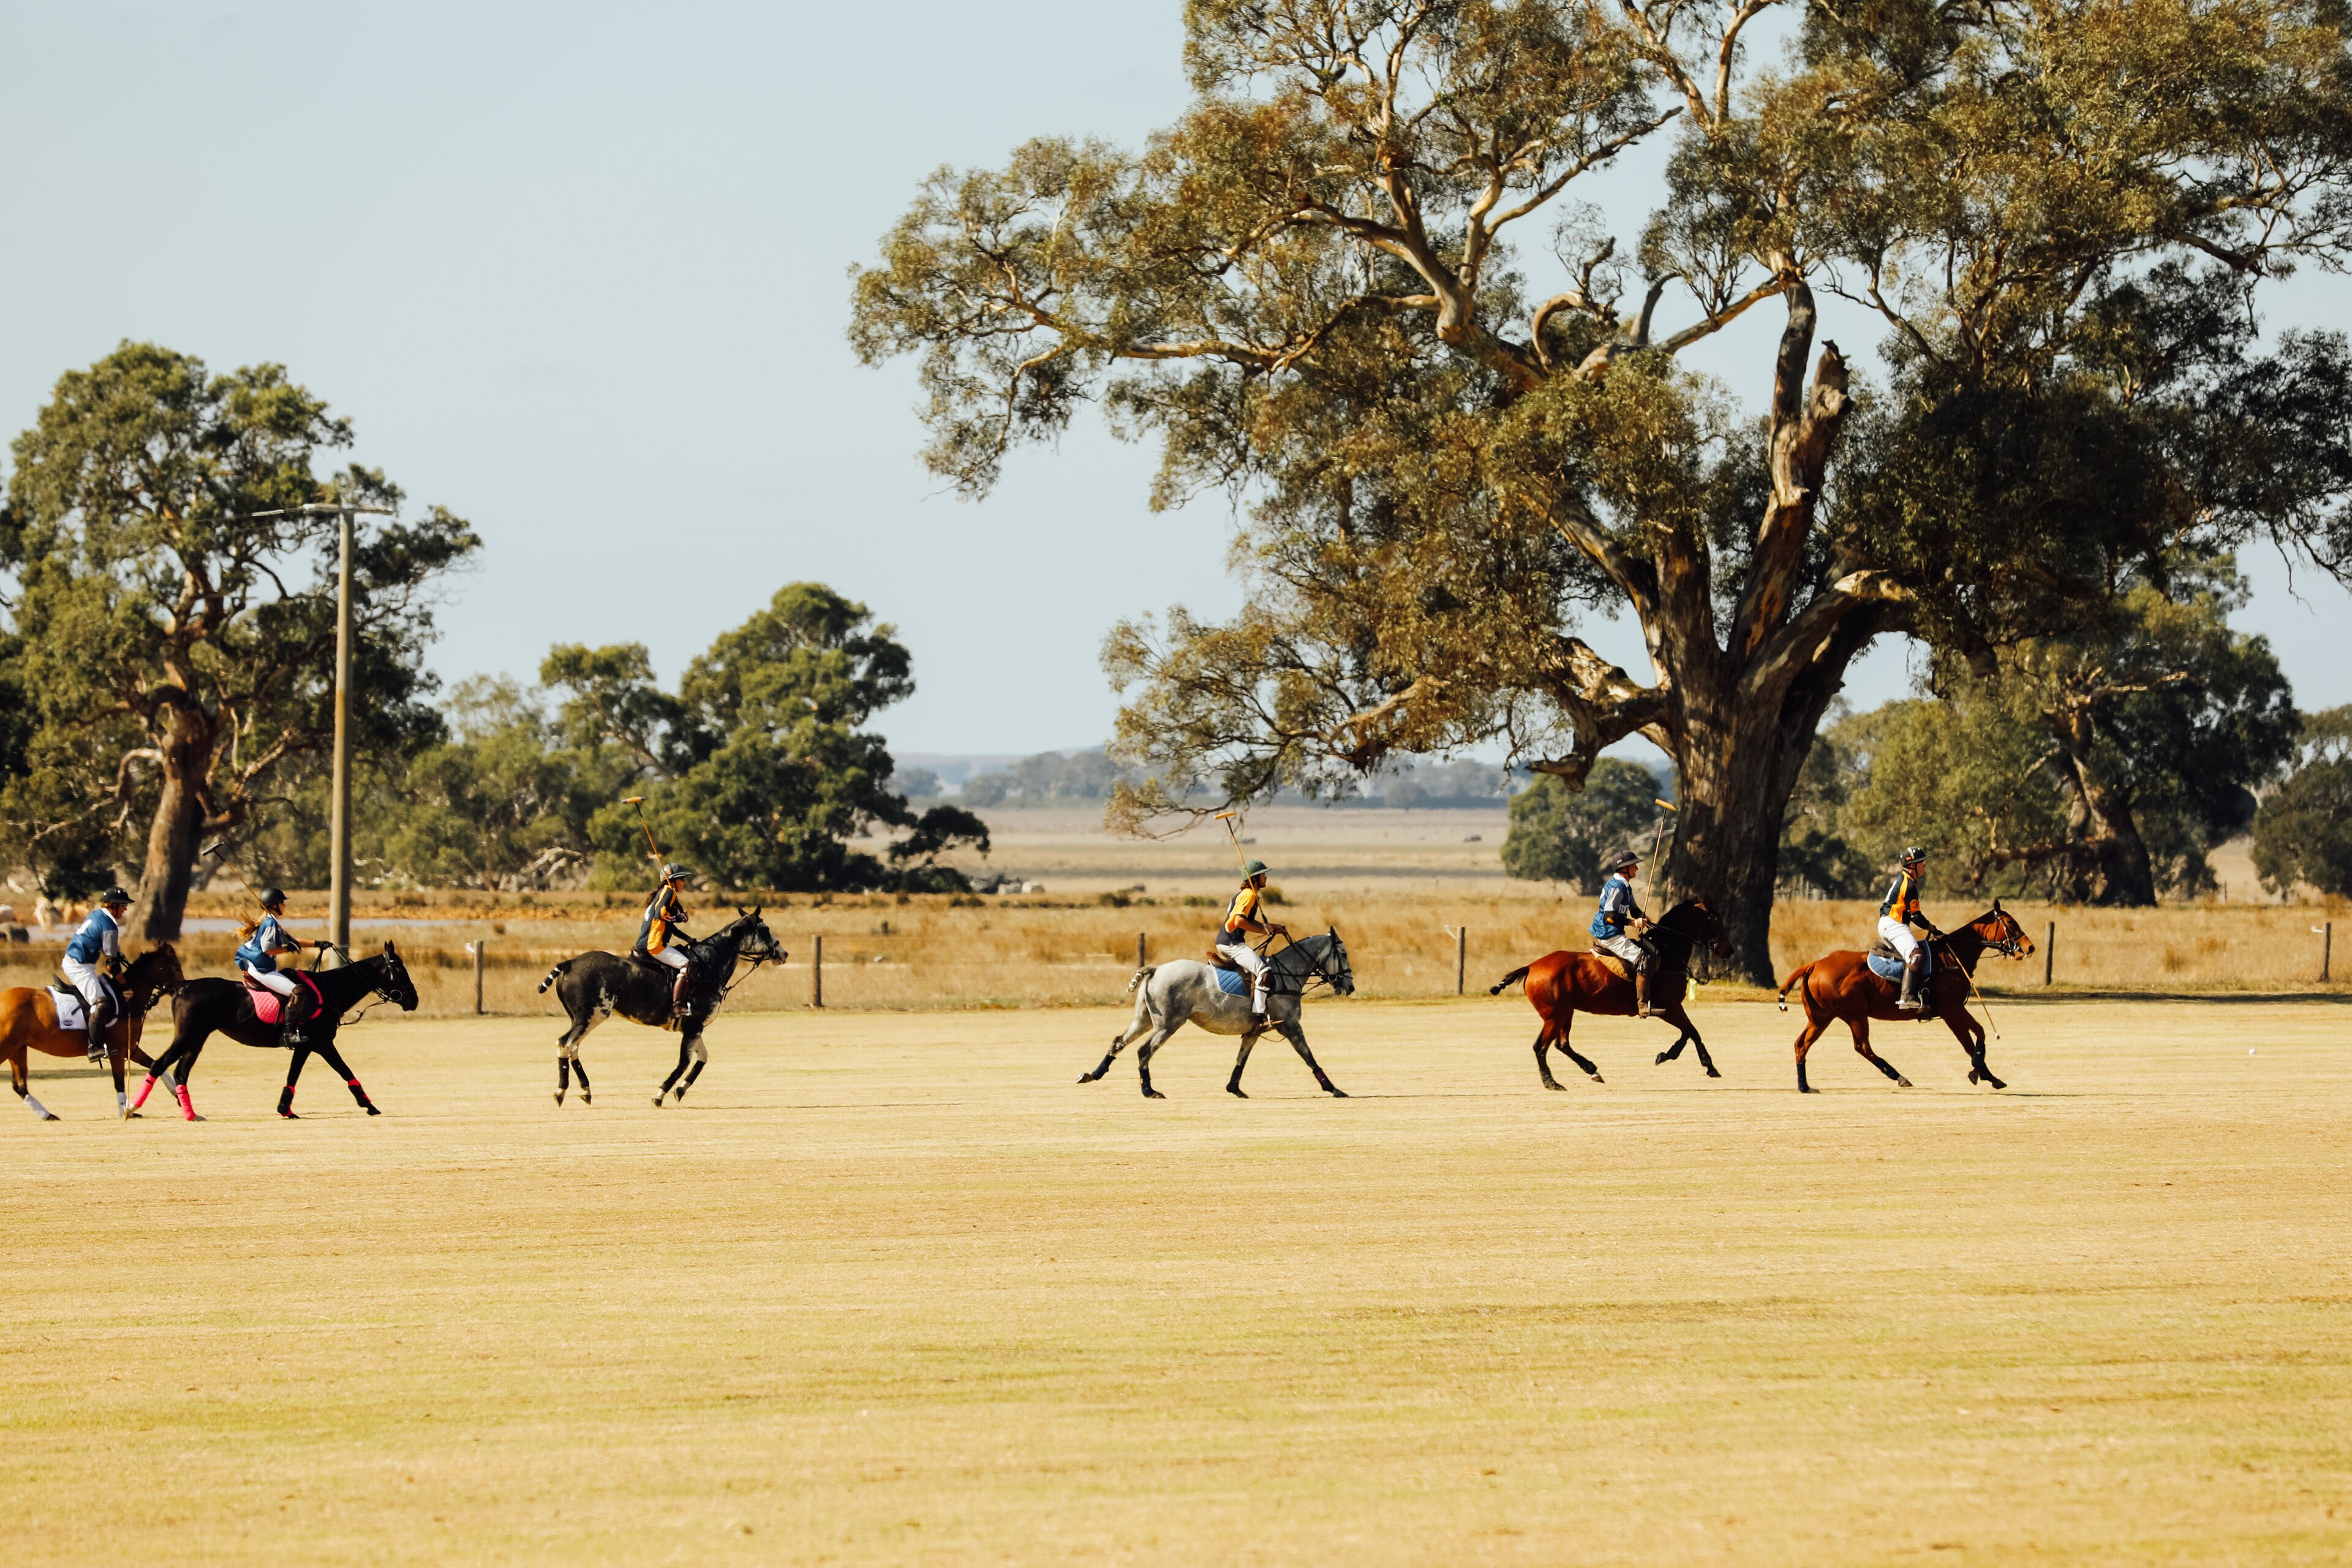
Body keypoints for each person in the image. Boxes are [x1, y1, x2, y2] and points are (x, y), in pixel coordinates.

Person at [235, 889, 322, 1042]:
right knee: (298, 992)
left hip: (259, 967)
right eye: (282, 902)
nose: (284, 906)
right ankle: (288, 1034)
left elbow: (293, 941)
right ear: (275, 905)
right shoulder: (270, 923)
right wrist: (287, 949)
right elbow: (268, 949)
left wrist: (318, 944)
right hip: (261, 970)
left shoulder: (270, 921)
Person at [62, 886, 131, 1062]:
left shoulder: (97, 915)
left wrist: (116, 952)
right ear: (113, 906)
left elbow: (103, 946)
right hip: (79, 967)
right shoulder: (110, 926)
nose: (125, 909)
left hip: (80, 963)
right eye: (123, 905)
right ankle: (94, 1048)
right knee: (102, 1004)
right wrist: (125, 986)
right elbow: (112, 966)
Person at [1215, 859, 1289, 1017]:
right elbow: (1238, 921)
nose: (1266, 878)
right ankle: (1259, 1015)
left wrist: (1271, 926)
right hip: (1232, 944)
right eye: (1263, 875)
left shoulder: (1246, 895)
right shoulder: (1249, 896)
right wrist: (1262, 930)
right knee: (1264, 971)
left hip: (1226, 942)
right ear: (1254, 879)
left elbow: (1246, 921)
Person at [1590, 849, 1657, 1017]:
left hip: (1614, 932)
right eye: (1634, 866)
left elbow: (1633, 909)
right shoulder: (1617, 888)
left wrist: (1644, 918)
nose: (1637, 869)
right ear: (1625, 869)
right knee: (1644, 959)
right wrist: (1633, 923)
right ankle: (1643, 1006)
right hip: (1608, 933)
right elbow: (1610, 916)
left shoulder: (1625, 887)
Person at [634, 864, 697, 1017]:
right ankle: (678, 1006)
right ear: (673, 880)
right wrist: (679, 918)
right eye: (681, 878)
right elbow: (661, 914)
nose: (684, 882)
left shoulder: (662, 893)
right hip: (655, 945)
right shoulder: (669, 891)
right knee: (686, 965)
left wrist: (687, 938)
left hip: (648, 943)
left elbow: (668, 926)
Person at [1878, 845, 1936, 1011]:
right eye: (1921, 863)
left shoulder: (1907, 879)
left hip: (1891, 924)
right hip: (1894, 924)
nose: (1924, 865)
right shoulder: (1909, 884)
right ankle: (1906, 997)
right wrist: (1931, 928)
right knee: (1916, 956)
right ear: (1912, 866)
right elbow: (1916, 916)